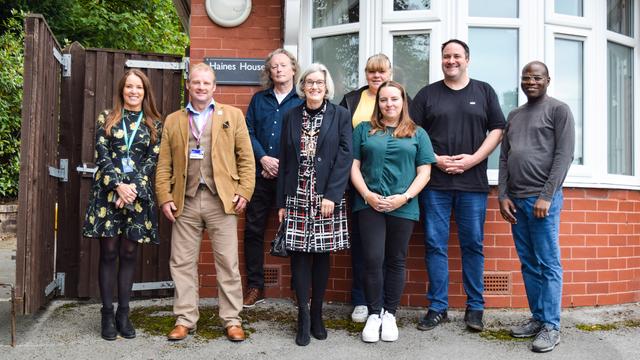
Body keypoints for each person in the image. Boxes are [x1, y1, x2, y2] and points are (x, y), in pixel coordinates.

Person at [410, 39, 506, 332]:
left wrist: (473, 159)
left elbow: (498, 129)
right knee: (435, 245)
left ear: (467, 59)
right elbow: (411, 131)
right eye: (446, 56)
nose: (451, 61)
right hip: (435, 183)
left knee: (473, 246)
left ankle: (475, 308)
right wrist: (435, 159)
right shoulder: (427, 95)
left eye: (456, 56)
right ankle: (437, 307)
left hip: (472, 183)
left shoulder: (484, 91)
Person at [155, 63, 255, 342]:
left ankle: (232, 320)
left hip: (221, 200)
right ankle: (185, 319)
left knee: (227, 262)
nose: (200, 87)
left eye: (206, 83)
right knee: (182, 262)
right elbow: (164, 164)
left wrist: (244, 191)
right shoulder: (174, 120)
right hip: (184, 201)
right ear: (188, 85)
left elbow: (246, 158)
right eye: (196, 82)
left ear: (214, 87)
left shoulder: (232, 116)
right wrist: (164, 197)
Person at [351, 81, 435, 343]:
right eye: (384, 100)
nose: (389, 104)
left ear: (403, 102)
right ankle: (374, 313)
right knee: (373, 258)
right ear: (378, 103)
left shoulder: (417, 133)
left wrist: (405, 197)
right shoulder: (364, 130)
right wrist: (367, 194)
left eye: (394, 99)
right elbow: (353, 166)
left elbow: (425, 171)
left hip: (403, 205)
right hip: (369, 204)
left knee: (396, 260)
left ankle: (390, 314)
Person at [499, 61, 575, 353]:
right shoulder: (514, 115)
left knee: (548, 263)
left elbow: (564, 156)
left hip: (543, 201)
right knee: (529, 263)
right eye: (526, 77)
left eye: (537, 77)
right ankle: (537, 317)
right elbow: (505, 157)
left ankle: (551, 327)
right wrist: (503, 195)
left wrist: (547, 195)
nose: (530, 81)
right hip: (516, 201)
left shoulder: (558, 110)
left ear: (547, 80)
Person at [82, 69, 163, 341]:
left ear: (145, 91)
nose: (133, 91)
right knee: (108, 253)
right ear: (122, 90)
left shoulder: (154, 124)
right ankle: (106, 313)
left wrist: (132, 191)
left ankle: (123, 314)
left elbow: (151, 162)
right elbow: (101, 155)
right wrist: (117, 185)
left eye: (138, 87)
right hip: (108, 194)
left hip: (137, 198)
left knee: (129, 254)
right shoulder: (107, 118)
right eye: (129, 86)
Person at [276, 63, 352, 346]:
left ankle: (318, 313)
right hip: (296, 195)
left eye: (320, 83)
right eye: (310, 82)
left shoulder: (340, 115)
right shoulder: (291, 116)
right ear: (303, 86)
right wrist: (281, 201)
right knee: (299, 255)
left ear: (326, 86)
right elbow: (285, 159)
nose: (315, 87)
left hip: (326, 198)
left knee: (321, 255)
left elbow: (345, 157)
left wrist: (332, 195)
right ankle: (303, 316)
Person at [243, 49, 303, 308]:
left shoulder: (301, 100)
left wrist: (282, 165)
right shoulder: (259, 100)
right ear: (269, 72)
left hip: (290, 178)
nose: (278, 70)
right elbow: (247, 131)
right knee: (253, 231)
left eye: (283, 65)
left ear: (293, 69)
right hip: (260, 175)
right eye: (274, 67)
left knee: (298, 230)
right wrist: (263, 159)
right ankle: (255, 286)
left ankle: (298, 288)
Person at [339, 53, 393, 323]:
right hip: (357, 182)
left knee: (387, 248)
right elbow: (340, 137)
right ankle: (361, 299)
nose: (376, 76)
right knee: (362, 244)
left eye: (381, 71)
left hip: (392, 184)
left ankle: (383, 302)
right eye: (371, 71)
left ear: (390, 73)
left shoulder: (399, 100)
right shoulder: (351, 100)